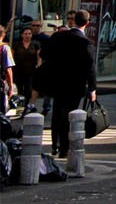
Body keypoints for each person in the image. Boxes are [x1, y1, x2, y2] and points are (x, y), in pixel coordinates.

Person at [38, 9, 97, 158]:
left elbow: (45, 55)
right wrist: (92, 88)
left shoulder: (58, 37)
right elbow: (90, 67)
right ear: (87, 24)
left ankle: (55, 145)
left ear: (74, 21)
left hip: (57, 82)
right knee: (70, 115)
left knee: (57, 114)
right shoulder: (85, 43)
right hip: (75, 85)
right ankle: (64, 146)